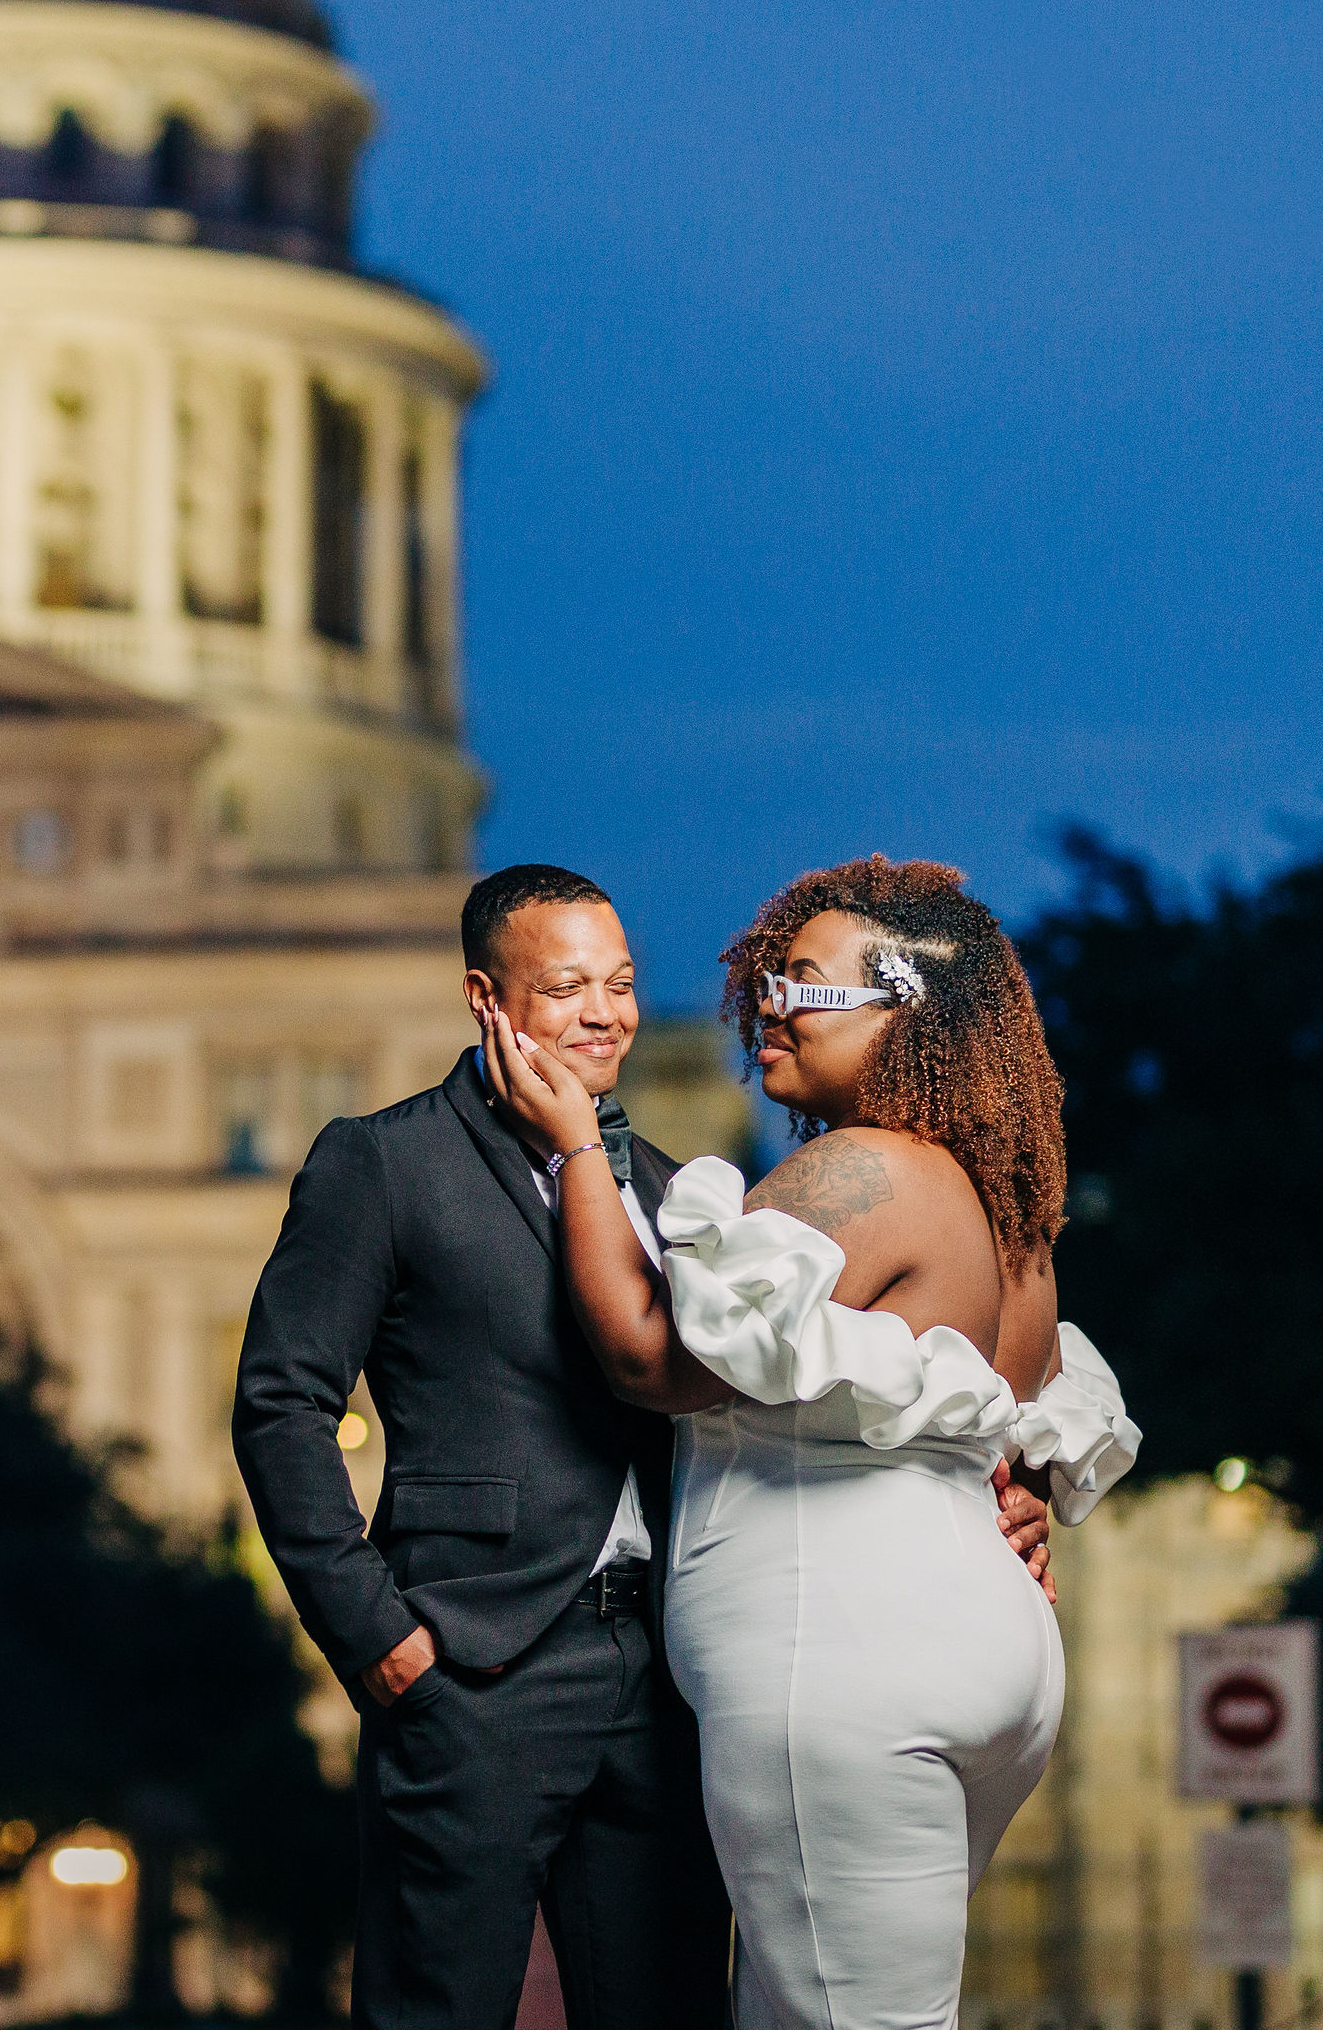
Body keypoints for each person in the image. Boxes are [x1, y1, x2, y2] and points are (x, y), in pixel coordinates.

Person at [479, 856, 1141, 2030]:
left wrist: (577, 1140)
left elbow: (649, 1353)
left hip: (837, 1657)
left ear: (907, 1015)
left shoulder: (862, 1168)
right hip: (980, 1658)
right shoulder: (1011, 1218)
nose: (771, 1007)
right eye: (771, 982)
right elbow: (1018, 1422)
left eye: (807, 984)